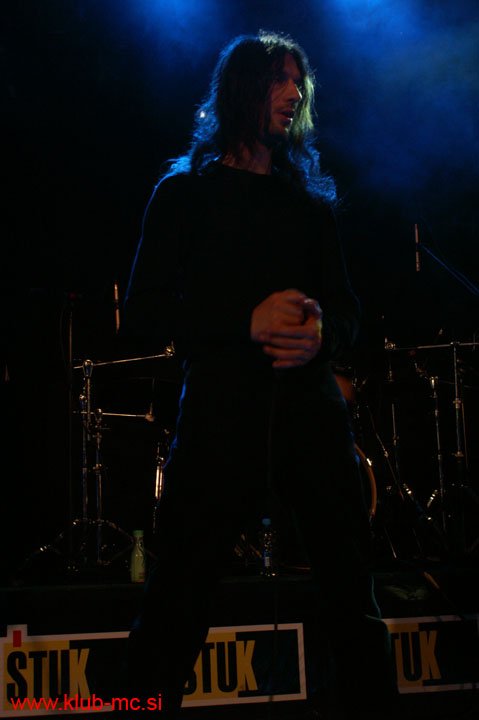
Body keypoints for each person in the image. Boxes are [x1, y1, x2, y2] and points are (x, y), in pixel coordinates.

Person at [121, 30, 399, 720]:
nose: (294, 93)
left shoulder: (308, 203)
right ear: (242, 89)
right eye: (280, 79)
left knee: (350, 594)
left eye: (299, 82)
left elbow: (348, 310)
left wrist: (323, 334)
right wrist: (244, 321)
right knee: (177, 599)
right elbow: (145, 314)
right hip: (221, 414)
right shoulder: (183, 195)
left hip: (311, 415)